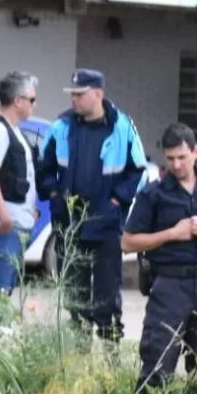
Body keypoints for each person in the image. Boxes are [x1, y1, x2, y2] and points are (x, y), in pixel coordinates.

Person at [123, 123, 197, 394]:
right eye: (170, 158)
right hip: (169, 287)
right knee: (157, 364)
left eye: (182, 157)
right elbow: (128, 242)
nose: (176, 165)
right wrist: (171, 234)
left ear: (196, 153)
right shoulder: (154, 193)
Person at [37, 68, 147, 340]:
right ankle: (79, 356)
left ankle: (110, 354)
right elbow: (43, 168)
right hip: (70, 225)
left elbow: (138, 170)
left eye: (79, 94)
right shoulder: (60, 127)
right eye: (72, 94)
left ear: (98, 94)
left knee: (107, 296)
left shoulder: (123, 126)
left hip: (107, 225)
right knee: (75, 297)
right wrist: (53, 196)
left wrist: (117, 200)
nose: (73, 99)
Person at [0, 71, 40, 294]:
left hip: (15, 223)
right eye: (32, 99)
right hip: (3, 227)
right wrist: (4, 216)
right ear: (17, 101)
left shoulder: (13, 131)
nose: (34, 104)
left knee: (6, 291)